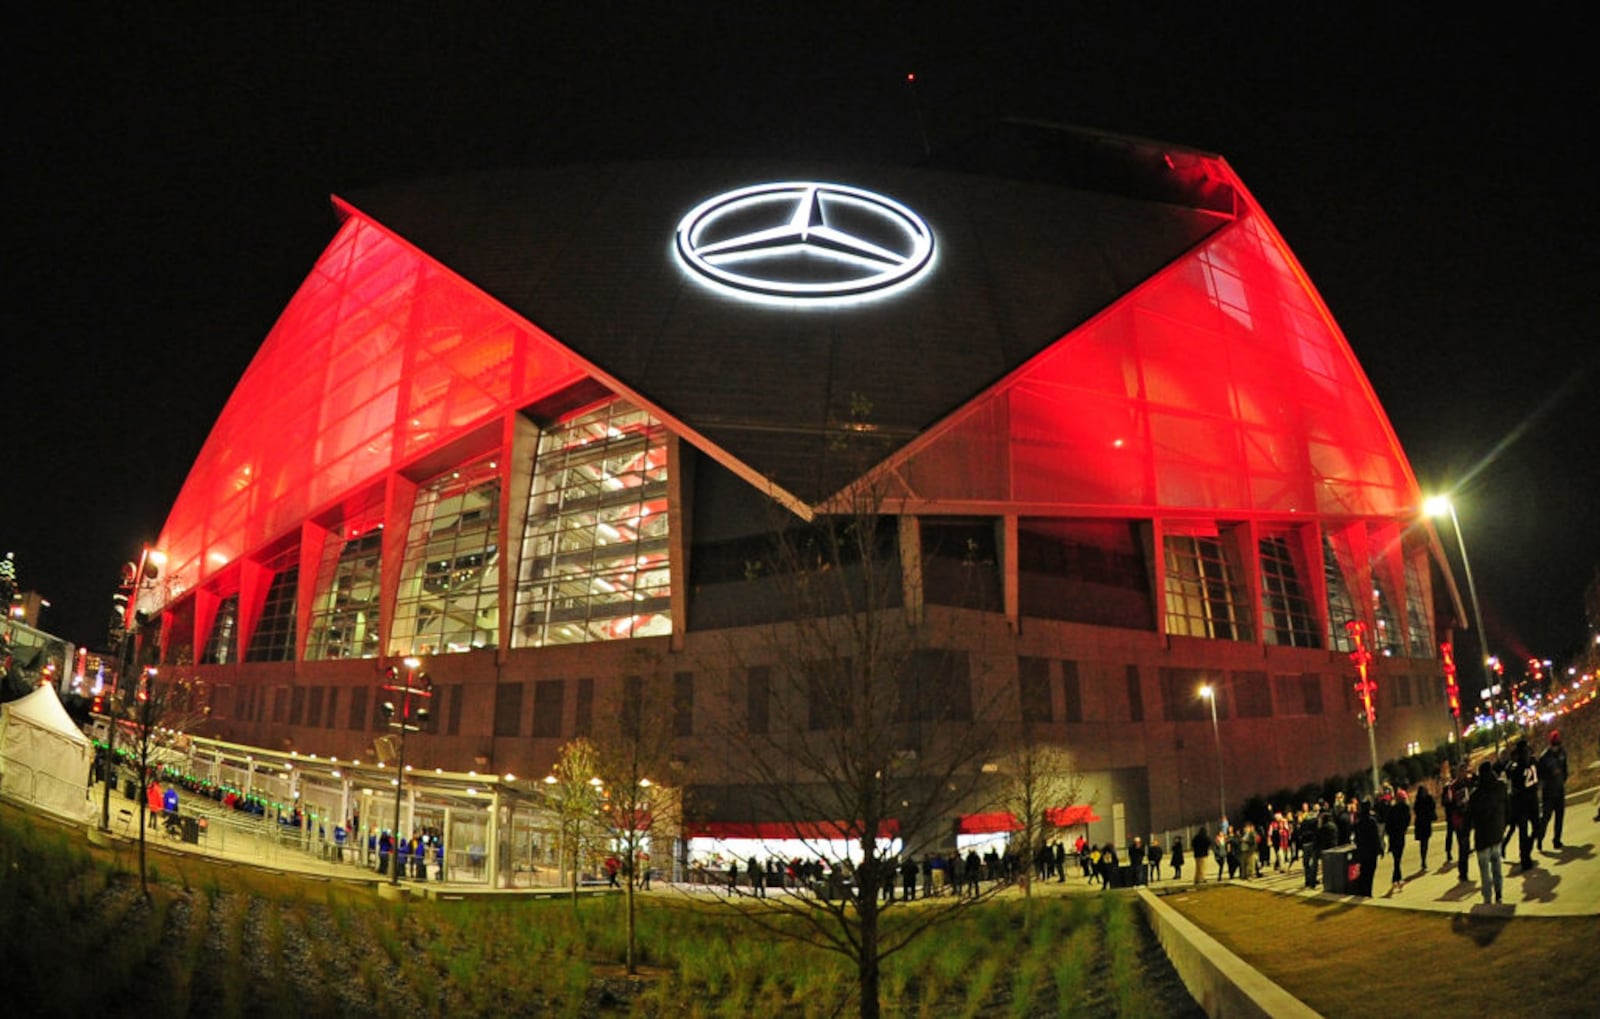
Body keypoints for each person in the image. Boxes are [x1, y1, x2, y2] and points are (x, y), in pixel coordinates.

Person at [1469, 759, 1507, 905]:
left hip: (1482, 838)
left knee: (1485, 871)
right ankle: (1499, 894)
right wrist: (1504, 825)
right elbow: (1507, 808)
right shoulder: (1500, 787)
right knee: (1497, 865)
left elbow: (1470, 817)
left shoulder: (1476, 795)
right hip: (1497, 834)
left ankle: (1487, 899)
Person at [1506, 739, 1540, 872]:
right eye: (1524, 751)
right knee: (1523, 831)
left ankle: (1527, 849)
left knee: (1537, 826)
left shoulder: (1532, 762)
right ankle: (1525, 858)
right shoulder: (1515, 767)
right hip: (1521, 803)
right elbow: (1512, 785)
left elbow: (1538, 775)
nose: (1526, 753)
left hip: (1532, 800)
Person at [1537, 730, 1568, 850]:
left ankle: (1557, 840)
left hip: (1559, 789)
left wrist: (1562, 778)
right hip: (1549, 792)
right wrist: (1550, 776)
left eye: (1558, 744)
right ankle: (1540, 838)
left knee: (1559, 817)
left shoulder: (1562, 753)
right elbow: (1540, 775)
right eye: (1554, 745)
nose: (1556, 747)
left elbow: (1565, 768)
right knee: (1546, 817)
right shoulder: (1544, 757)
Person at [1353, 800, 1381, 897]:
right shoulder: (1372, 821)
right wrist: (1380, 849)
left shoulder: (1358, 822)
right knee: (1370, 872)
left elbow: (1356, 838)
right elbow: (1375, 837)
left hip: (1362, 851)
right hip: (1371, 851)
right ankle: (1368, 891)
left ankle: (1362, 891)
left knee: (1363, 871)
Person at [1384, 788, 1411, 889]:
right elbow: (1407, 822)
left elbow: (1388, 824)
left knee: (1396, 859)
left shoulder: (1393, 809)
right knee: (1398, 859)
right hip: (1400, 836)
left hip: (1393, 837)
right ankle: (1397, 879)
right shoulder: (1406, 809)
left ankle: (1396, 879)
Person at [1412, 782, 1436, 870]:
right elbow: (1416, 810)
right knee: (1423, 843)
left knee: (1425, 842)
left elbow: (1433, 807)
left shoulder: (1429, 799)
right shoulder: (1418, 801)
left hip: (1425, 823)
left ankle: (1423, 860)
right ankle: (1423, 860)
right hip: (1421, 824)